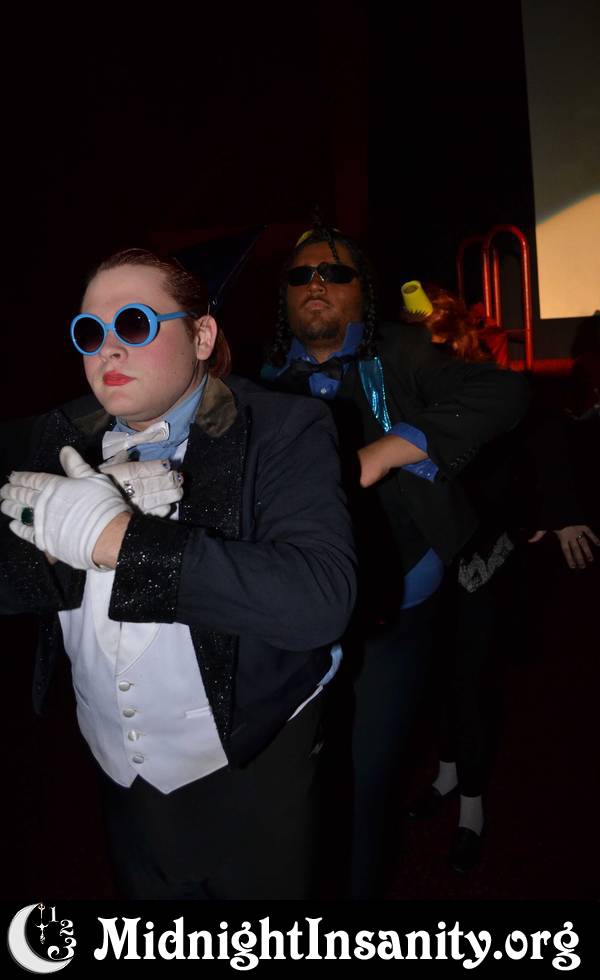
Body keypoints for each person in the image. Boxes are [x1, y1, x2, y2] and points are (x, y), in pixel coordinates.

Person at [0, 248, 356, 901]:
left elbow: (319, 599)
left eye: (134, 323)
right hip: (116, 773)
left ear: (202, 335)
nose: (107, 349)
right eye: (89, 332)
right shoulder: (54, 436)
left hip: (252, 768)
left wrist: (122, 539)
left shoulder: (283, 427)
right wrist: (41, 548)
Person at [261, 225, 530, 898]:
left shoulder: (399, 352)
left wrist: (385, 453)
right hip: (299, 612)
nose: (315, 284)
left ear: (364, 291)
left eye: (334, 273)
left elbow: (503, 393)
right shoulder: (261, 376)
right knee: (292, 782)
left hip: (394, 609)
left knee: (365, 779)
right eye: (300, 275)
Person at [403, 281, 599, 872]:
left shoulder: (487, 387)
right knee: (435, 678)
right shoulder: (400, 387)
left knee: (469, 683)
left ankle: (472, 806)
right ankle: (447, 775)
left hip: (479, 555)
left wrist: (557, 513)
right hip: (421, 560)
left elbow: (540, 433)